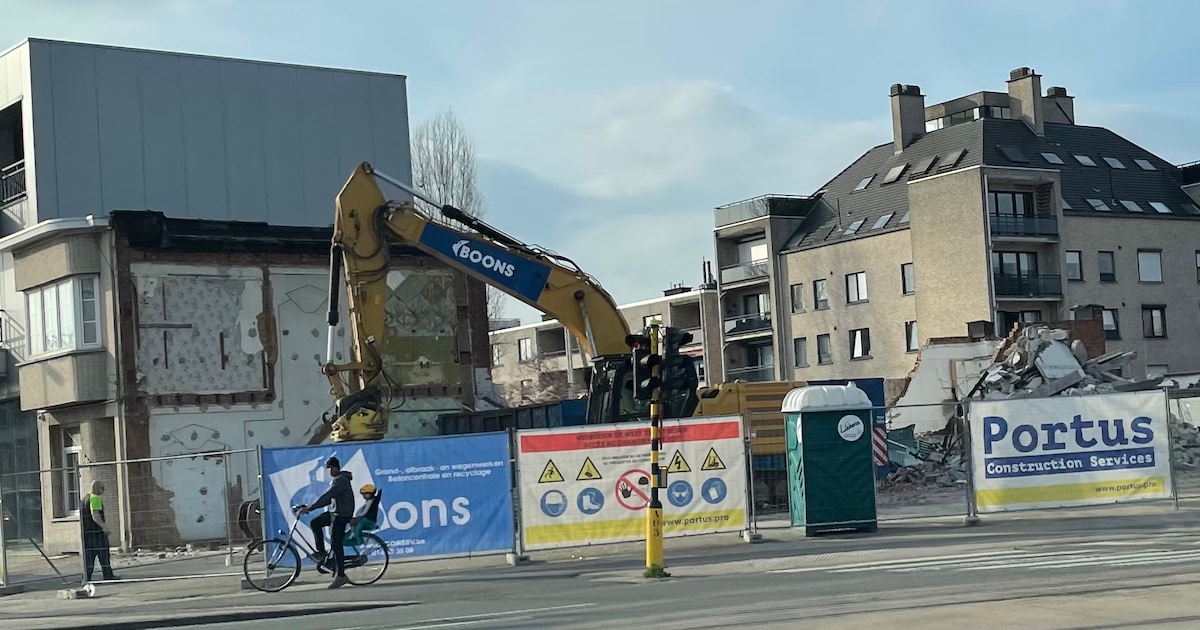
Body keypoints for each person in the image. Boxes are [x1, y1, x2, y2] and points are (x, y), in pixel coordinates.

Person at [297, 456, 354, 589]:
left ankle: (341, 576)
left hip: (341, 515)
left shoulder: (340, 481)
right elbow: (329, 499)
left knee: (336, 543)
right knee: (315, 522)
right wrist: (309, 506)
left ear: (335, 468)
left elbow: (327, 496)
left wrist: (310, 508)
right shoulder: (338, 480)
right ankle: (322, 552)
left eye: (329, 469)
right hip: (335, 513)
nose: (328, 472)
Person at [81, 480, 118, 583]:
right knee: (104, 554)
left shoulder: (84, 499)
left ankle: (86, 578)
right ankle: (108, 575)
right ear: (97, 488)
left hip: (87, 533)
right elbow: (95, 515)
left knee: (89, 557)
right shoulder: (95, 498)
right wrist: (104, 527)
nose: (104, 490)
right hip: (97, 533)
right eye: (102, 488)